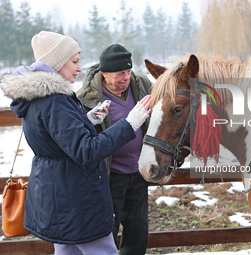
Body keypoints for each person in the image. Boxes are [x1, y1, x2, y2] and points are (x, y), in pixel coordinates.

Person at [0, 31, 151, 255]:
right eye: (74, 61)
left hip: (58, 196)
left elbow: (53, 138)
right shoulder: (55, 101)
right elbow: (86, 151)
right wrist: (130, 124)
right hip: (76, 198)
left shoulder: (37, 97)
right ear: (57, 63)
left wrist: (86, 120)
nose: (79, 68)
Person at [77, 44, 152, 255]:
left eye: (128, 72)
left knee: (138, 231)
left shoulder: (142, 86)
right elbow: (78, 135)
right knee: (107, 231)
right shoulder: (87, 97)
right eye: (120, 74)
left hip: (137, 174)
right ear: (104, 74)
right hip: (109, 176)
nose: (126, 77)